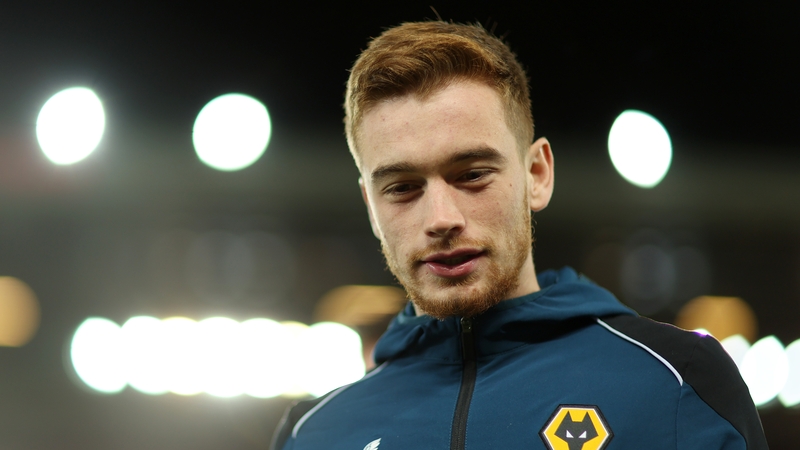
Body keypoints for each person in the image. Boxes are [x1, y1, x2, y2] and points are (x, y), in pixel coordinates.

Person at [272, 21, 768, 450]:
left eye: (471, 175)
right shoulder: (313, 434)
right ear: (371, 207)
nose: (441, 218)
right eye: (402, 188)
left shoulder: (679, 382)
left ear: (537, 174)